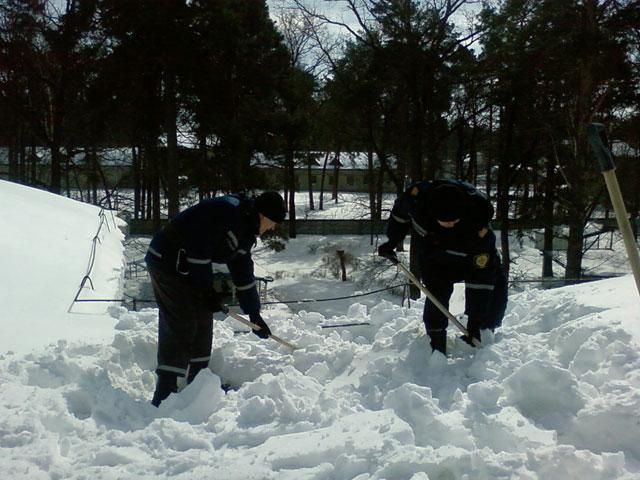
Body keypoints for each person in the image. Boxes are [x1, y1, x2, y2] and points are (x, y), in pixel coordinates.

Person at [145, 191, 286, 406]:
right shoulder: (227, 212)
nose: (272, 228)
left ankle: (198, 384)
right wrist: (207, 290)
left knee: (203, 318)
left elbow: (242, 269)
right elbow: (197, 248)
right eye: (272, 222)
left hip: (189, 268)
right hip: (167, 262)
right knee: (181, 321)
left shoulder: (246, 231)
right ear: (262, 214)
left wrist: (254, 313)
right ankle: (165, 390)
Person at [378, 179, 508, 355]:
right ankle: (436, 341)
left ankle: (482, 335)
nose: (449, 224)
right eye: (444, 221)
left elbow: (481, 281)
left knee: (494, 287)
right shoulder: (416, 200)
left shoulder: (479, 220)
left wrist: (476, 321)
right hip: (435, 255)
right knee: (436, 294)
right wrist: (392, 241)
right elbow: (399, 216)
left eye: (454, 221)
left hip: (471, 256)